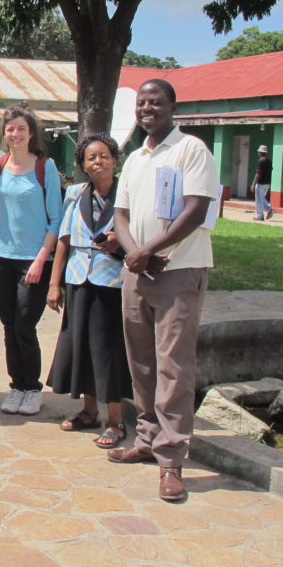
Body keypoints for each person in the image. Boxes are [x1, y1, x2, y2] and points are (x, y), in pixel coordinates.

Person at [109, 78, 218, 503]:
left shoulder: (191, 150)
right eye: (141, 102)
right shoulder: (135, 158)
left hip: (180, 270)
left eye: (156, 102)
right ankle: (147, 437)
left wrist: (150, 249)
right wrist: (135, 254)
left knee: (174, 364)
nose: (146, 108)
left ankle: (171, 461)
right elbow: (121, 213)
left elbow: (197, 208)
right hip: (138, 273)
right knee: (141, 362)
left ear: (173, 106)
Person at [47, 133, 132, 448]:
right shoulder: (76, 194)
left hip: (112, 281)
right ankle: (88, 411)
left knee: (107, 350)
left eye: (104, 156)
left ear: (114, 159)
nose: (98, 162)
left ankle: (116, 420)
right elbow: (64, 240)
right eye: (91, 158)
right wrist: (55, 284)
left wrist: (119, 242)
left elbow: (138, 234)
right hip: (79, 279)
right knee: (80, 345)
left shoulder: (127, 194)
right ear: (83, 164)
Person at [0, 104, 63, 416]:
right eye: (10, 129)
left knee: (24, 325)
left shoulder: (44, 166)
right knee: (9, 325)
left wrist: (40, 259)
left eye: (21, 128)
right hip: (3, 256)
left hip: (34, 259)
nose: (15, 134)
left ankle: (32, 388)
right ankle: (16, 386)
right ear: (4, 133)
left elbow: (56, 220)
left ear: (31, 132)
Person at [251, 144, 274, 221]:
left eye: (259, 152)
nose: (258, 153)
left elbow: (258, 173)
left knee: (258, 199)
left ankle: (260, 215)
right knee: (261, 198)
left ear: (260, 152)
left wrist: (253, 184)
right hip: (267, 183)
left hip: (261, 183)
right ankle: (269, 209)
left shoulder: (261, 161)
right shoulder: (269, 161)